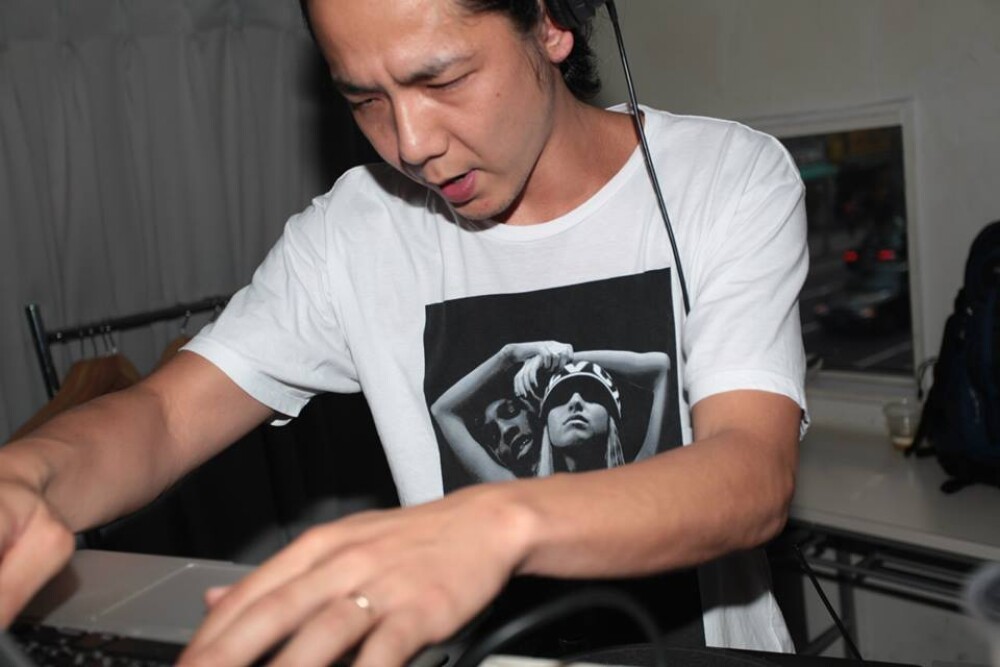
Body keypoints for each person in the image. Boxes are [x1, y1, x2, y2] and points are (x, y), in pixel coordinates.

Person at [0, 0, 809, 665]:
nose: (411, 144)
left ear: (550, 22)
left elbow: (750, 472)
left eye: (441, 79)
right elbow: (167, 415)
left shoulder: (726, 178)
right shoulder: (353, 231)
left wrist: (498, 524)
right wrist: (25, 476)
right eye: (365, 100)